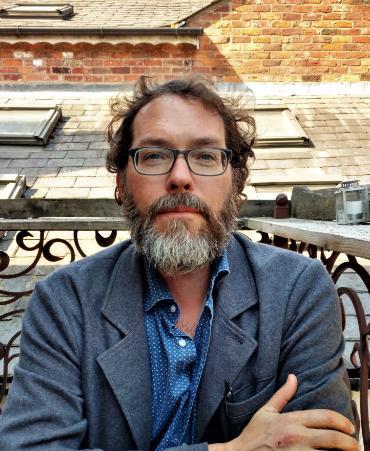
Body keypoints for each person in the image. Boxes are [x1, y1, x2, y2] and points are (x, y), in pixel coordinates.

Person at [0, 76, 359, 451]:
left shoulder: (297, 290)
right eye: (154, 155)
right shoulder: (64, 301)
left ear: (236, 183)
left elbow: (328, 443)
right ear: (122, 182)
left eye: (206, 156)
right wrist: (230, 450)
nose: (180, 177)